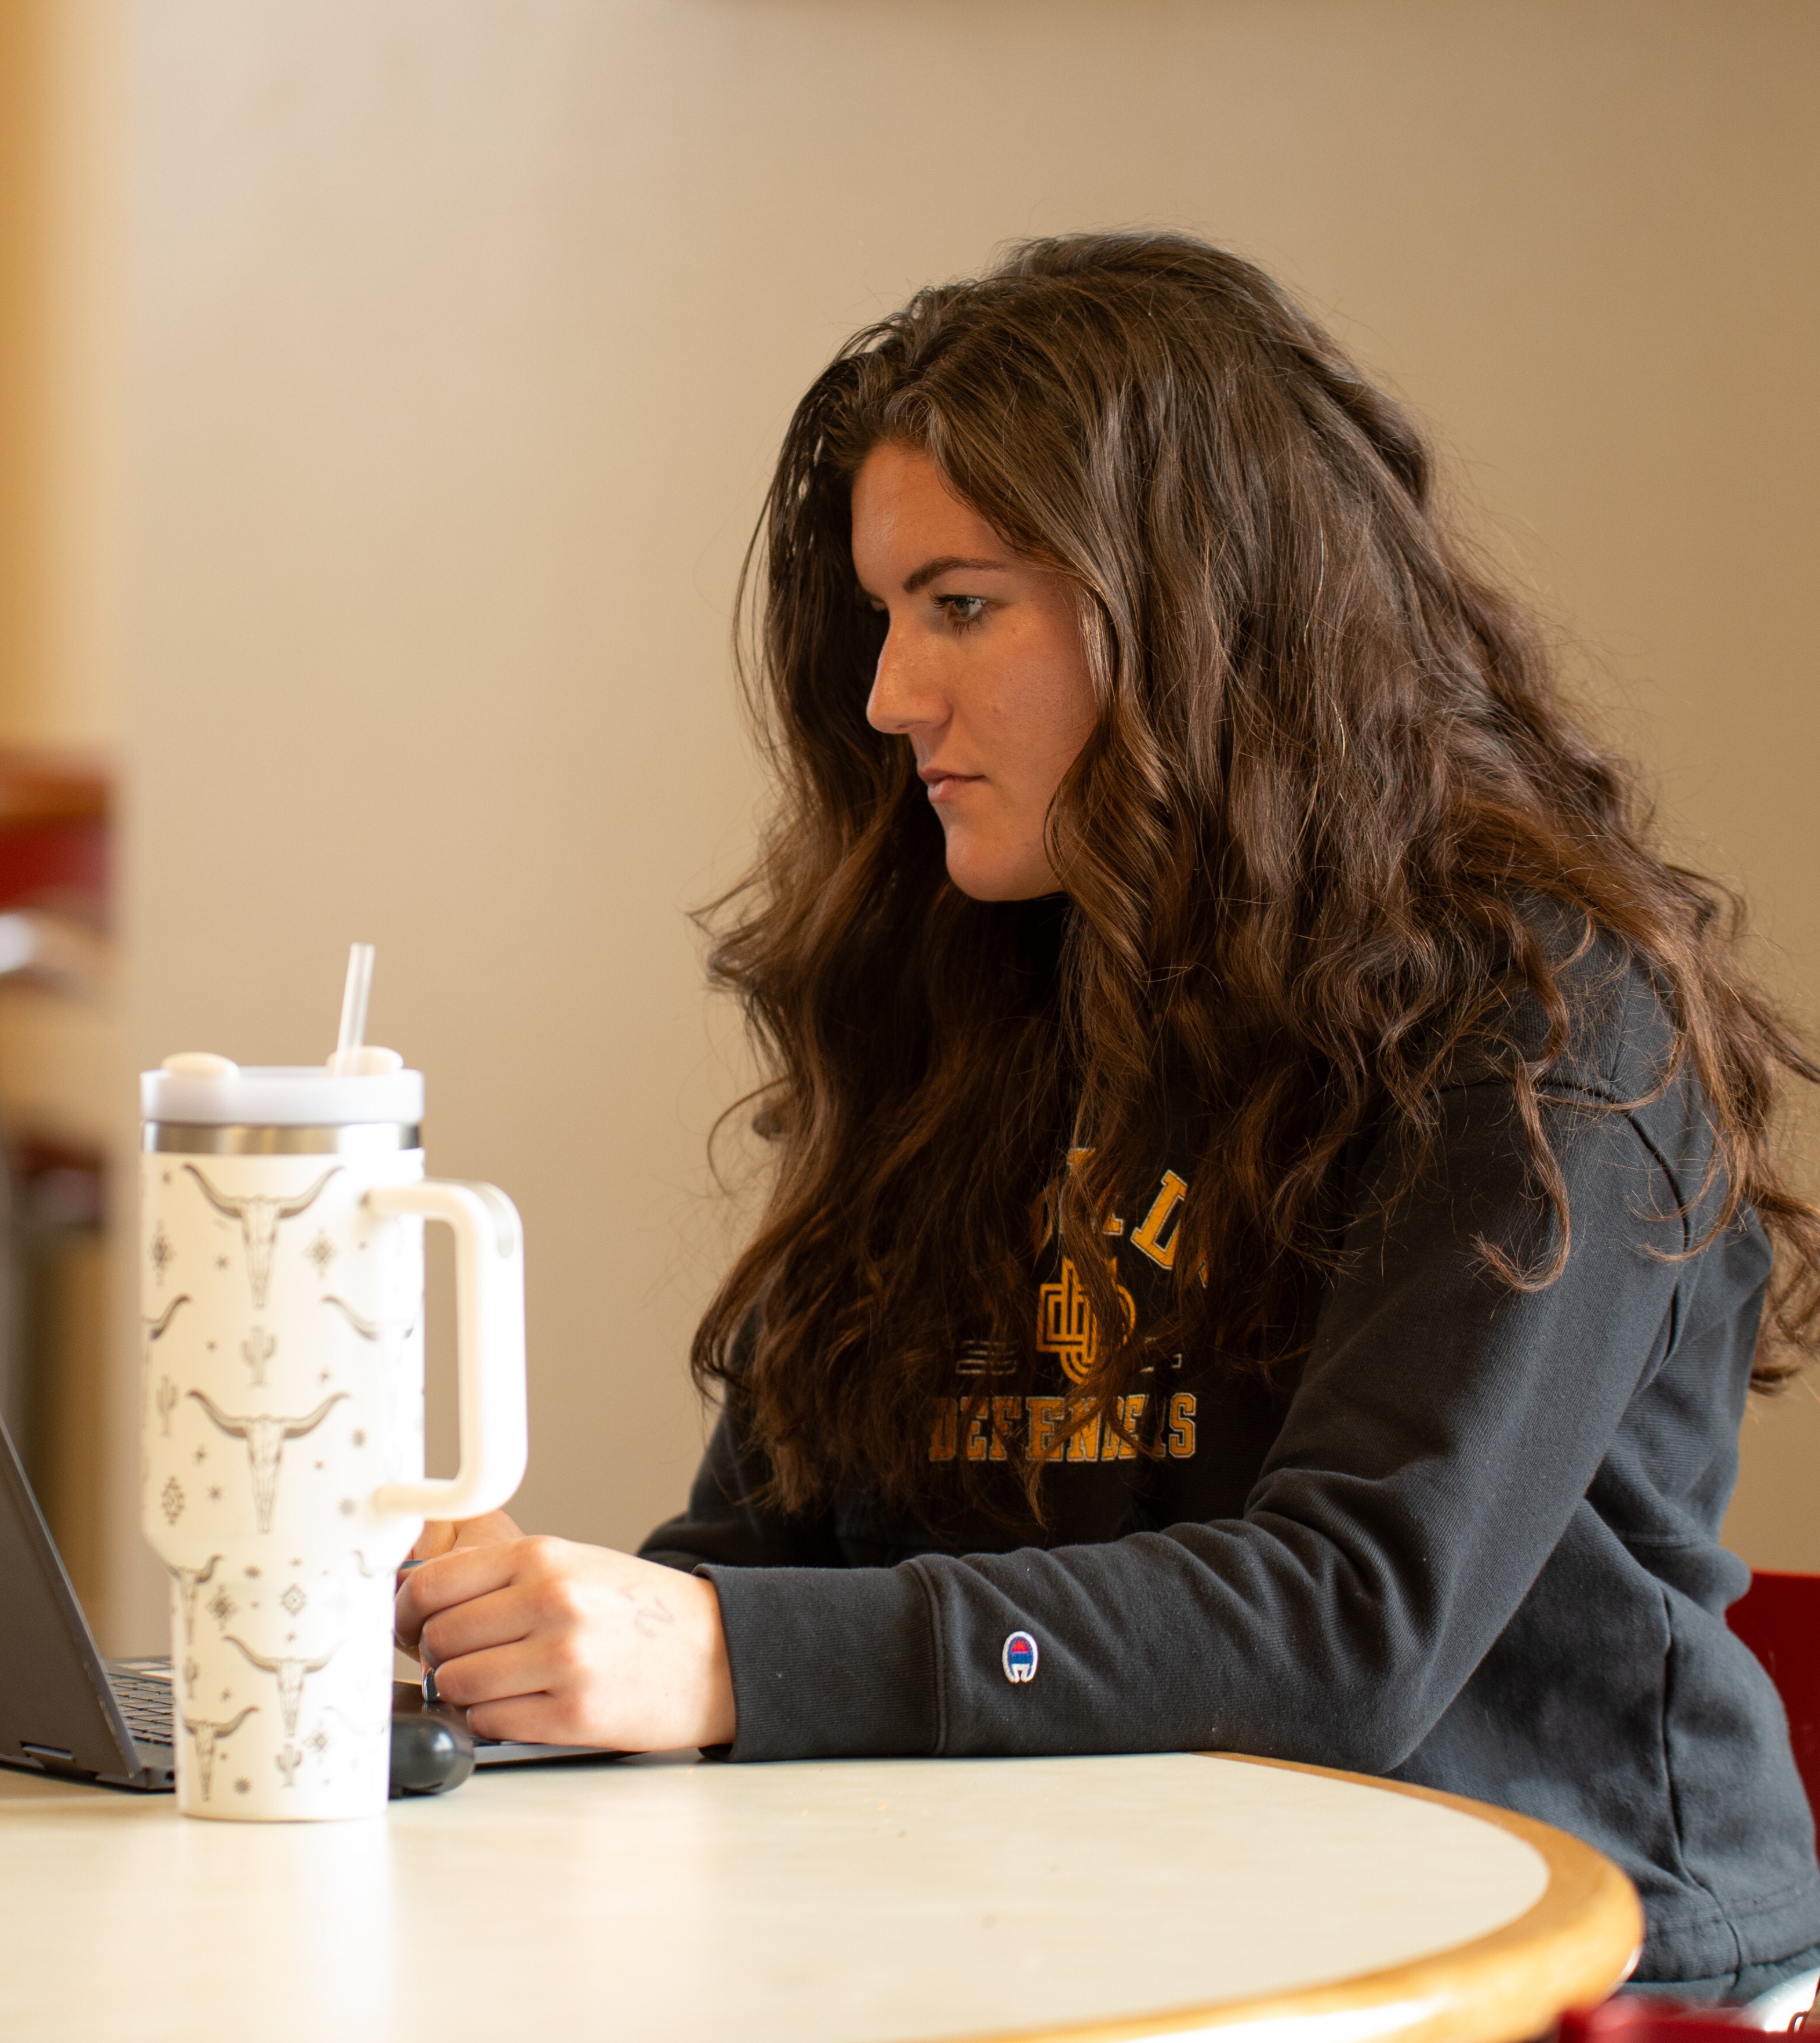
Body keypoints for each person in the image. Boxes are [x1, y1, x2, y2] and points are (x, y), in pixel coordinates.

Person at [394, 233, 1820, 2002]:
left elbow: (1349, 1627)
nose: (888, 696)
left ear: (1196, 609)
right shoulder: (966, 994)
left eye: (959, 606)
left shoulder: (1544, 1015)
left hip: (1568, 1977)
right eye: (887, 616)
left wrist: (731, 1655)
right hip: (1093, 1932)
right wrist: (522, 1661)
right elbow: (774, 1556)